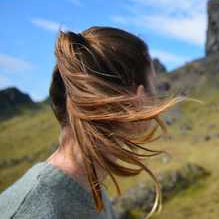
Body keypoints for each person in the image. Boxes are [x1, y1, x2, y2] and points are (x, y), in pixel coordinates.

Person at [0, 27, 180, 218]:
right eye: (154, 85)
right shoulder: (30, 212)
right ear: (135, 99)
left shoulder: (91, 191)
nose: (157, 99)